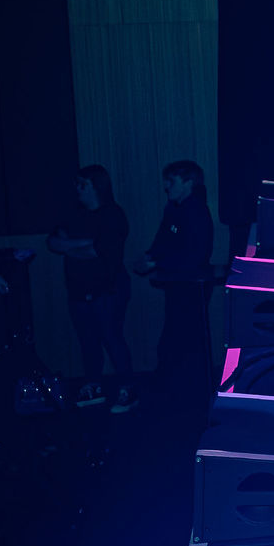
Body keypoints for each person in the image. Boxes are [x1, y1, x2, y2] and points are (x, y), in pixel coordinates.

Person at [47, 165, 133, 408]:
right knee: (87, 339)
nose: (77, 189)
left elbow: (99, 251)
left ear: (96, 186)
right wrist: (85, 244)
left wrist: (71, 246)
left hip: (108, 288)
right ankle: (94, 385)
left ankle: (128, 388)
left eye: (82, 184)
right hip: (77, 289)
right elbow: (53, 242)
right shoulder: (74, 213)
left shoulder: (113, 214)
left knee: (111, 337)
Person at [131, 159, 216, 400]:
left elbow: (194, 255)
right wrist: (149, 257)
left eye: (171, 181)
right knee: (178, 339)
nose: (166, 186)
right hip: (179, 285)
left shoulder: (196, 211)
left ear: (188, 183)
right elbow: (163, 242)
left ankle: (189, 394)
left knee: (185, 339)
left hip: (192, 287)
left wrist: (156, 263)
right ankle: (183, 393)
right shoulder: (174, 209)